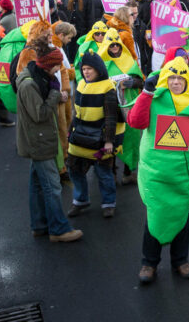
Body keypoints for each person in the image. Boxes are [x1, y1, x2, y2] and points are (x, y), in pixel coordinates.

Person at [127, 58, 189, 284]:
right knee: (155, 216)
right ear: (165, 78)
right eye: (171, 77)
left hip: (181, 174)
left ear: (187, 80)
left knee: (180, 216)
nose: (176, 82)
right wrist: (146, 92)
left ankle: (180, 261)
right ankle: (149, 263)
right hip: (155, 173)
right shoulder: (153, 99)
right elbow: (135, 121)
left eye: (180, 78)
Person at [17, 43, 82, 241]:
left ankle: (40, 224)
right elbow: (40, 114)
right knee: (52, 186)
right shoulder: (30, 84)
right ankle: (58, 229)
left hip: (39, 138)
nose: (59, 69)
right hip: (39, 140)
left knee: (37, 184)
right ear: (48, 65)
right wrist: (56, 95)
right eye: (57, 65)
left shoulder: (39, 77)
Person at [67, 51, 122, 218]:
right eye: (83, 69)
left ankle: (108, 203)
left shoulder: (107, 87)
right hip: (80, 137)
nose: (86, 72)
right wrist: (70, 131)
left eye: (89, 68)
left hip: (100, 139)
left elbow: (111, 117)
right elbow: (76, 112)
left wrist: (109, 142)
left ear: (98, 69)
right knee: (74, 170)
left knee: (103, 173)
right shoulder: (81, 84)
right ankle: (80, 200)